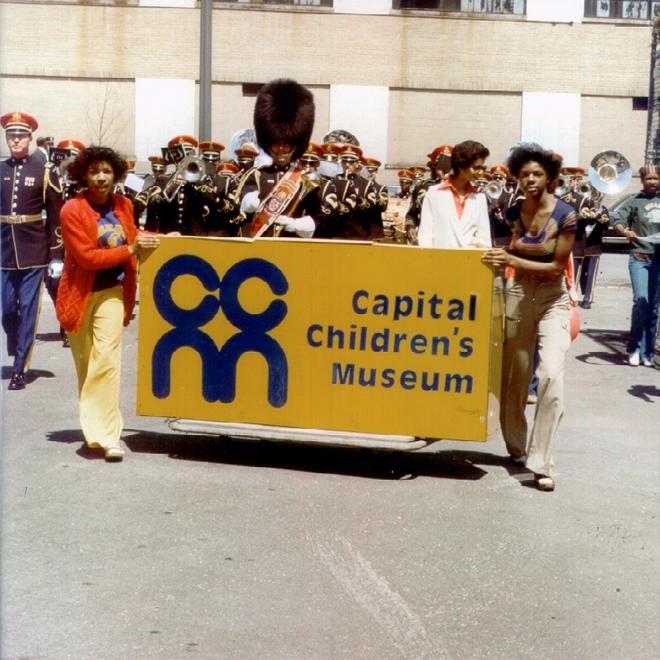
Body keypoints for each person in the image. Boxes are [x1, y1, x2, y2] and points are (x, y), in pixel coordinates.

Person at [482, 145, 577, 491]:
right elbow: (505, 250)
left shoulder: (566, 215)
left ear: (549, 177)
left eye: (537, 174)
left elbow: (555, 267)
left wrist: (510, 260)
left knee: (551, 374)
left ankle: (542, 462)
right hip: (519, 295)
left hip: (553, 299)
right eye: (524, 175)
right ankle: (517, 447)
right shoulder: (512, 212)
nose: (531, 180)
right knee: (515, 376)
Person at [55, 146, 159, 461]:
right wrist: (129, 249)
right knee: (87, 366)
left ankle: (109, 437)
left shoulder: (125, 204)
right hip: (80, 294)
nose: (101, 178)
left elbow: (134, 236)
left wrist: (160, 237)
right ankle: (94, 434)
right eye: (94, 172)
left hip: (113, 292)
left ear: (116, 174)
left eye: (107, 172)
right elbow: (86, 258)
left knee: (108, 363)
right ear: (84, 176)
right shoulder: (71, 209)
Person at [1, 111, 64, 390]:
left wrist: (56, 256)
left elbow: (55, 217)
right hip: (3, 250)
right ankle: (15, 343)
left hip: (33, 251)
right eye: (10, 136)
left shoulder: (45, 171)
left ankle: (19, 369)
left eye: (20, 136)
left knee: (27, 308)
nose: (15, 141)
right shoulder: (1, 170)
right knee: (6, 310)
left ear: (30, 138)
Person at [611, 164, 660, 367]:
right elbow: (617, 219)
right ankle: (633, 348)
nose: (652, 182)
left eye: (656, 178)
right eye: (648, 178)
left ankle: (648, 352)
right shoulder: (634, 201)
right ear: (642, 180)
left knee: (654, 308)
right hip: (639, 258)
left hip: (658, 259)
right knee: (641, 302)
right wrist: (625, 232)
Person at [418, 140, 492, 249]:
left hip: (468, 262)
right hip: (438, 262)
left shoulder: (480, 198)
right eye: (476, 168)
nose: (481, 172)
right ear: (461, 166)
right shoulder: (434, 194)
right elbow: (425, 236)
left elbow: (485, 241)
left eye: (483, 168)